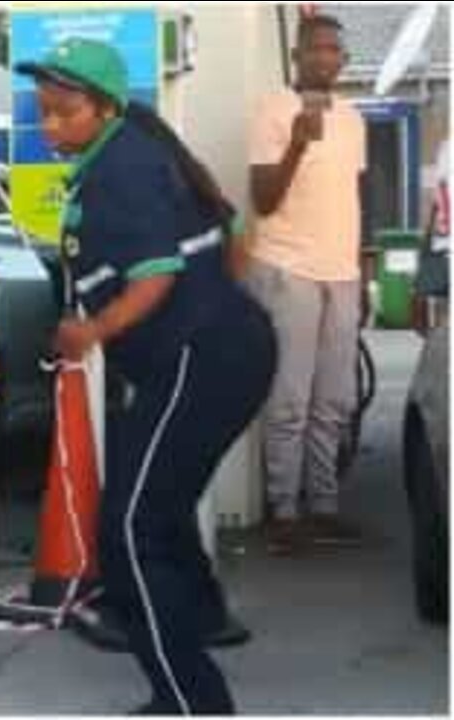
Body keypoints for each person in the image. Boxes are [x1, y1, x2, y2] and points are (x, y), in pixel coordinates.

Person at [17, 38, 276, 714]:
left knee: (130, 529)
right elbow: (232, 244)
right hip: (204, 353)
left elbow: (156, 276)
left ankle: (191, 703)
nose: (49, 126)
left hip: (201, 356)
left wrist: (91, 332)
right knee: (150, 511)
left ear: (103, 109)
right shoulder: (124, 158)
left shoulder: (121, 169)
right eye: (41, 112)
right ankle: (201, 617)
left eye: (62, 112)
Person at [246, 14, 367, 556]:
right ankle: (284, 509)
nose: (326, 58)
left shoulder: (354, 121)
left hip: (340, 272)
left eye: (334, 50)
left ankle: (324, 505)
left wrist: (361, 271)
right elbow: (263, 200)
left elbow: (351, 199)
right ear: (296, 57)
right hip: (288, 267)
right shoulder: (273, 109)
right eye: (315, 49)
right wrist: (296, 145)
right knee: (290, 397)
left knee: (334, 399)